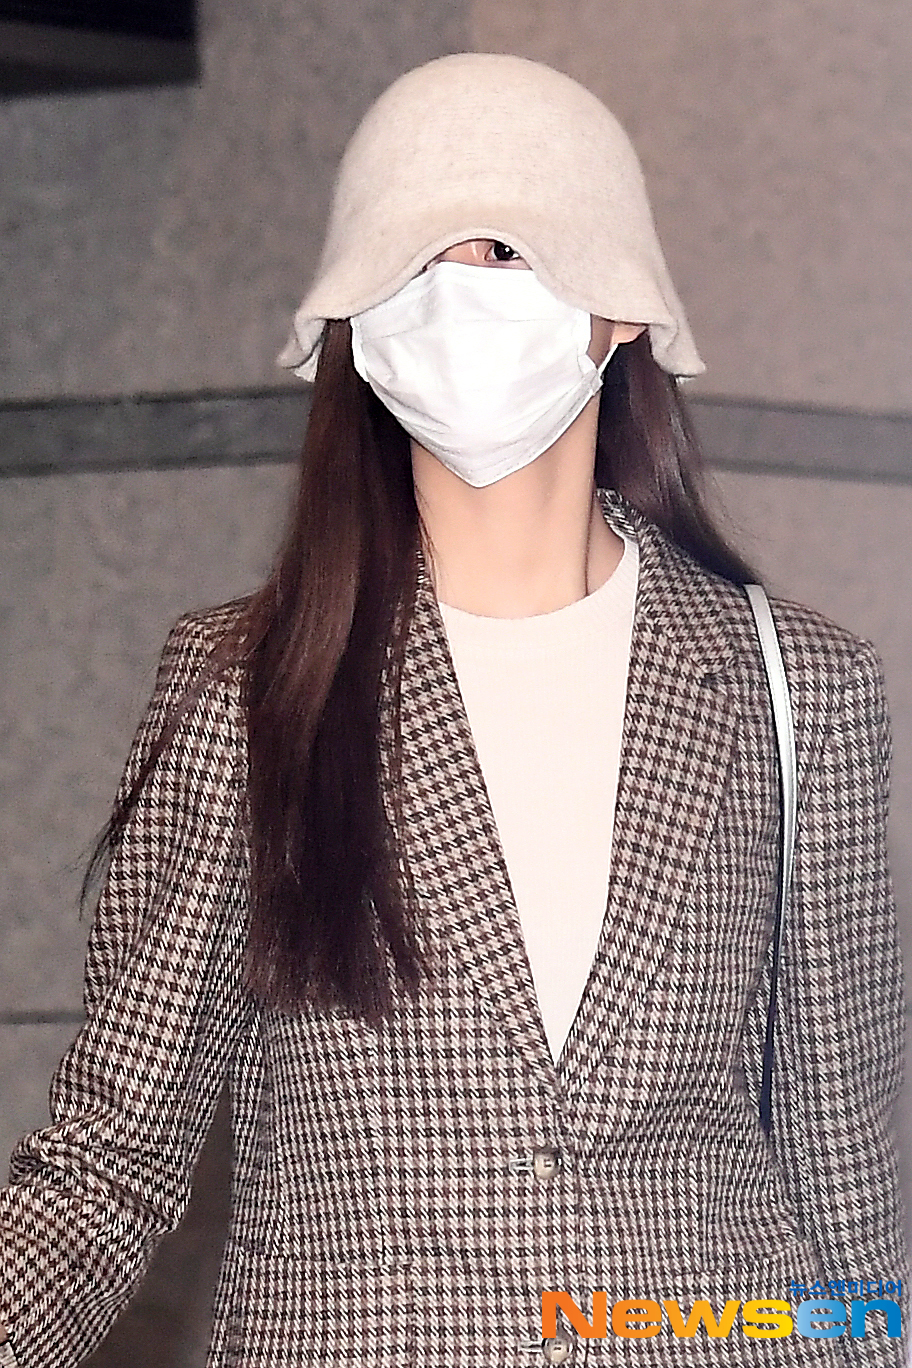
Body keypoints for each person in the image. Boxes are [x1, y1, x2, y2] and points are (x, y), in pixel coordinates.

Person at [0, 51, 907, 1368]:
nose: (452, 292)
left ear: (619, 307)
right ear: (352, 323)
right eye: (409, 260)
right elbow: (105, 1168)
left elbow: (843, 1181)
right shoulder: (249, 688)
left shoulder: (797, 688)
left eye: (501, 252)